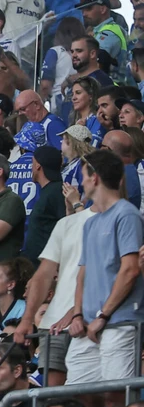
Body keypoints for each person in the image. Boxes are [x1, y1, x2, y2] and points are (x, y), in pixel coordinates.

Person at [66, 151, 144, 385]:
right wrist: (77, 314)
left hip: (119, 321)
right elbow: (83, 274)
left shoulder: (127, 214)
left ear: (95, 178)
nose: (80, 182)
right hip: (87, 325)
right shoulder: (90, 223)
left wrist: (104, 315)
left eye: (83, 176)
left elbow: (130, 270)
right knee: (76, 396)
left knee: (116, 396)